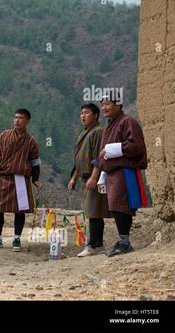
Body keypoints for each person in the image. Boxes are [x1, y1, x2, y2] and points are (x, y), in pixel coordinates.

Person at [0, 109, 42, 252]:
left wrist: (36, 179)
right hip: (5, 177)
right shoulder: (4, 135)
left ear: (27, 121)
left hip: (21, 178)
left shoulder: (31, 141)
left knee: (20, 210)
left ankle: (16, 238)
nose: (17, 120)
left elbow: (35, 162)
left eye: (21, 118)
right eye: (15, 117)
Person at [98, 92, 147, 257]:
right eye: (102, 104)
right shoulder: (109, 126)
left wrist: (110, 149)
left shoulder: (128, 122)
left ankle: (125, 243)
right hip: (113, 172)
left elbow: (136, 146)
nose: (104, 107)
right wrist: (102, 175)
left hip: (124, 170)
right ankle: (122, 241)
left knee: (121, 205)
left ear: (118, 105)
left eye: (107, 103)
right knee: (115, 206)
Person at [68, 103, 111, 257]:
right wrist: (74, 177)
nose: (83, 116)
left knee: (94, 211)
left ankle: (93, 245)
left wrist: (94, 177)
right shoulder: (83, 134)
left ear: (96, 116)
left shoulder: (98, 132)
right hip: (84, 178)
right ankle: (96, 245)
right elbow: (78, 160)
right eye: (81, 113)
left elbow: (98, 156)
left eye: (86, 113)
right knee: (92, 211)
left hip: (94, 177)